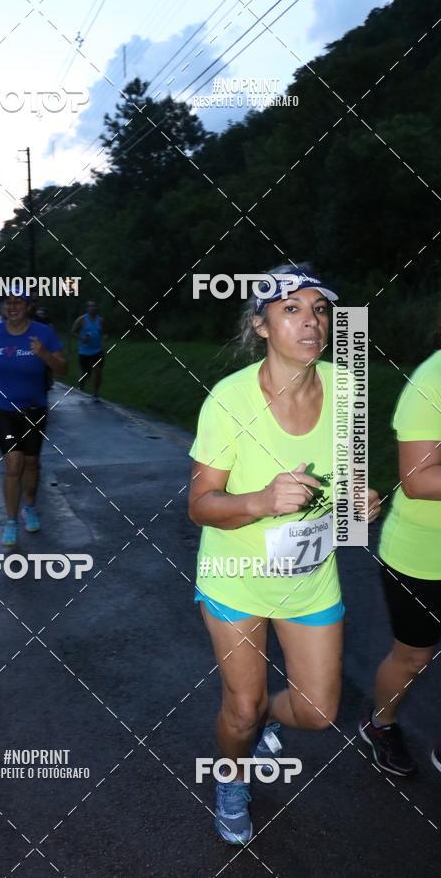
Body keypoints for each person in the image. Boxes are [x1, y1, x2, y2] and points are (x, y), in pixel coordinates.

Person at [188, 272, 381, 845]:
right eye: (292, 309)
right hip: (235, 579)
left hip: (309, 581)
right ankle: (230, 779)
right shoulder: (229, 399)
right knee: (240, 709)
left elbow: (346, 485)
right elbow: (200, 505)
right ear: (261, 325)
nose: (311, 321)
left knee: (319, 712)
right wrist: (262, 500)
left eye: (320, 310)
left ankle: (267, 721)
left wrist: (359, 504)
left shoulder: (347, 388)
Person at [360, 349, 441, 776]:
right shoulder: (432, 379)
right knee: (413, 657)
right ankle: (380, 724)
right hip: (425, 557)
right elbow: (418, 480)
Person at [0, 291, 66, 545]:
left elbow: (63, 367)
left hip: (34, 409)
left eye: (18, 302)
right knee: (13, 464)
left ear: (28, 307)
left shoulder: (43, 333)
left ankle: (30, 506)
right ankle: (11, 520)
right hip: (2, 408)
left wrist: (44, 355)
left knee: (32, 463)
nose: (13, 306)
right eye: (9, 302)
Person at [71, 300, 105, 400]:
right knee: (86, 373)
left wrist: (105, 336)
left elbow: (104, 332)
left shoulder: (101, 320)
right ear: (87, 308)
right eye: (90, 306)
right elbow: (72, 332)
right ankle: (81, 383)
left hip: (97, 351)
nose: (92, 308)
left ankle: (96, 393)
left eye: (94, 306)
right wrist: (81, 338)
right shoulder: (81, 320)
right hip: (84, 352)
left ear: (96, 308)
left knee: (98, 371)